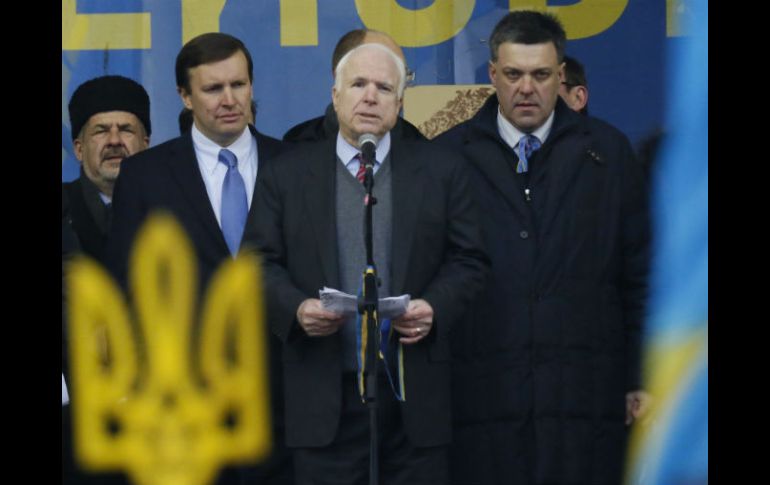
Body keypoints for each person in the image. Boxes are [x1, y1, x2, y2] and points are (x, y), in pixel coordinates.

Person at [249, 43, 489, 485]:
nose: (370, 96)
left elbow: (469, 259)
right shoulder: (286, 173)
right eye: (358, 84)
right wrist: (296, 310)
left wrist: (434, 307)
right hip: (325, 399)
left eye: (384, 88)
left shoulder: (441, 170)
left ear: (399, 105)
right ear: (335, 95)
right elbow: (256, 264)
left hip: (413, 398)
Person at [435, 11, 650, 485]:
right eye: (513, 74)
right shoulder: (448, 158)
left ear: (562, 76)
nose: (526, 88)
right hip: (483, 398)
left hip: (584, 399)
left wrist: (639, 377)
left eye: (540, 75)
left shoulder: (609, 154)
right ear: (492, 74)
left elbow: (638, 276)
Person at [105, 32, 291, 485]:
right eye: (212, 89)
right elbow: (126, 286)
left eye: (239, 85)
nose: (230, 100)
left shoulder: (295, 164)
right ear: (184, 96)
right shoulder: (145, 175)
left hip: (284, 395)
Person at [63, 75, 151, 264]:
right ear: (79, 149)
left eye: (126, 129)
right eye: (101, 131)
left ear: (145, 145)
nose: (114, 141)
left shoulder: (176, 207)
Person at [282, 28, 425, 143]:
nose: (371, 97)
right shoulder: (298, 146)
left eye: (400, 73)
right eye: (360, 83)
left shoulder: (419, 148)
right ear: (338, 82)